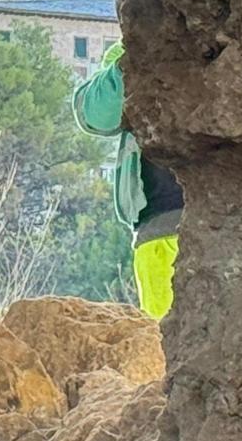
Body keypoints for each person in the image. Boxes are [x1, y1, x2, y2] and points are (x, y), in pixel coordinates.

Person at [72, 40, 182, 319]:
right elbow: (96, 115)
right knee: (165, 343)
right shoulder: (130, 47)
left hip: (229, 221)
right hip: (161, 226)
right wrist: (134, 56)